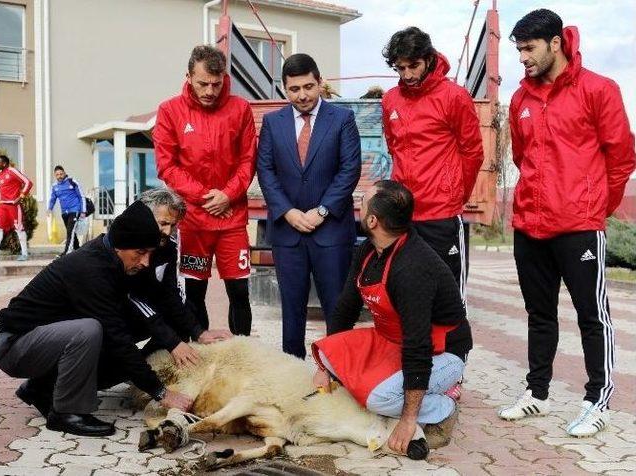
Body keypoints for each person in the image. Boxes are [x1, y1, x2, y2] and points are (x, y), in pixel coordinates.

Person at [498, 9, 636, 438]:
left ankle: (598, 401)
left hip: (579, 225)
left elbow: (622, 157)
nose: (522, 57)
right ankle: (537, 393)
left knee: (592, 316)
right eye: (518, 49)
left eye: (529, 48)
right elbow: (522, 157)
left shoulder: (599, 89)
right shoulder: (520, 99)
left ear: (555, 43)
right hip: (530, 223)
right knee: (539, 314)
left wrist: (594, 207)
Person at [0, 201, 193, 436]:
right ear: (120, 245)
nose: (145, 262)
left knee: (131, 331)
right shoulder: (90, 268)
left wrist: (197, 333)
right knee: (90, 330)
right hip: (15, 346)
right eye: (140, 253)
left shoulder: (114, 260)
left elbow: (158, 301)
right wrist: (161, 393)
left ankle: (40, 388)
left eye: (149, 253)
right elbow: (116, 336)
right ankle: (65, 413)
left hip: (46, 342)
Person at [312, 180, 472, 454]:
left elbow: (418, 346)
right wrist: (327, 366)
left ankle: (442, 406)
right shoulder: (368, 250)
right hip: (391, 340)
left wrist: (408, 419)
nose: (358, 207)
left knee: (378, 400)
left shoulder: (413, 268)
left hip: (441, 352)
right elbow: (345, 309)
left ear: (373, 220)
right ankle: (407, 395)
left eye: (362, 203)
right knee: (326, 353)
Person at [257, 53, 362, 359]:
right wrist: (288, 212)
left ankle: (338, 373)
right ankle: (293, 372)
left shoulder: (342, 119)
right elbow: (266, 171)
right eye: (294, 89)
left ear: (319, 82)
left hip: (330, 231)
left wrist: (322, 211)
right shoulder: (273, 123)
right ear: (284, 89)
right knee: (291, 309)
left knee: (336, 309)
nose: (302, 95)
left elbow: (349, 170)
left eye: (308, 86)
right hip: (287, 233)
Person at [154, 45, 256, 337]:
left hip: (232, 219)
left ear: (224, 78)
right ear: (188, 76)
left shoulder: (240, 109)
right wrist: (205, 196)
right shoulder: (169, 111)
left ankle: (242, 358)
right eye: (202, 83)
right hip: (194, 221)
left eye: (217, 83)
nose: (210, 90)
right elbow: (167, 166)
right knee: (194, 293)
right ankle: (201, 355)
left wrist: (228, 194)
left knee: (239, 292)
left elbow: (248, 159)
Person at [381, 27, 484, 306]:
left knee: (448, 300)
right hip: (403, 215)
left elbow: (472, 152)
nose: (408, 75)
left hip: (441, 215)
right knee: (405, 296)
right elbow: (394, 147)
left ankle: (453, 352)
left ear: (428, 59)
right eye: (400, 68)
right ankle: (413, 351)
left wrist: (454, 195)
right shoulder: (390, 99)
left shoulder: (454, 96)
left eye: (413, 66)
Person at [126, 188, 232, 368]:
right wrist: (173, 343)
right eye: (163, 223)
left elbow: (170, 295)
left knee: (183, 316)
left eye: (173, 225)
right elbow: (130, 297)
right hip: (112, 315)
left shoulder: (167, 247)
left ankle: (142, 364)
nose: (167, 231)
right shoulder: (123, 244)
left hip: (143, 314)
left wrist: (198, 332)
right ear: (145, 216)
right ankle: (127, 367)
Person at [0, 154, 33, 261]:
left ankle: (25, 254)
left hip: (13, 205)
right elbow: (0, 188)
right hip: (2, 205)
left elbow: (28, 182)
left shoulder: (12, 171)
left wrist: (21, 196)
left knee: (19, 229)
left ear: (4, 163)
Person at [47, 165, 87, 255]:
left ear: (64, 173)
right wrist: (49, 209)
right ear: (55, 175)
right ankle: (78, 251)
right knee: (71, 232)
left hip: (74, 210)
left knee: (70, 232)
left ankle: (66, 252)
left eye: (61, 174)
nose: (59, 176)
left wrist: (83, 211)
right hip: (64, 213)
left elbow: (81, 196)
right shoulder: (55, 186)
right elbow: (52, 199)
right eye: (57, 174)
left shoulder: (72, 182)